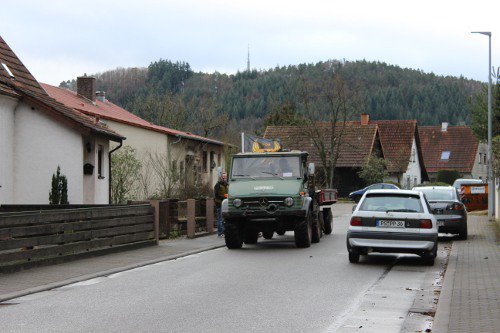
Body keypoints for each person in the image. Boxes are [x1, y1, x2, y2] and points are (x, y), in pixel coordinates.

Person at [214, 172, 228, 237]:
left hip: (226, 204)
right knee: (220, 219)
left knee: (225, 219)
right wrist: (224, 197)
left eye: (226, 177)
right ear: (221, 177)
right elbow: (216, 195)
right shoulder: (217, 185)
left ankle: (224, 232)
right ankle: (220, 233)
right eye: (224, 177)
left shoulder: (227, 184)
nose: (225, 178)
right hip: (219, 204)